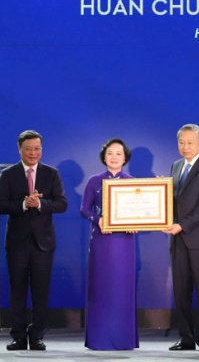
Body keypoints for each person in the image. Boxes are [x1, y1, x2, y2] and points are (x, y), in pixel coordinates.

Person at [0, 130, 67, 351]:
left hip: (43, 244)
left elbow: (62, 204)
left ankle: (37, 336)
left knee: (40, 291)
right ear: (19, 149)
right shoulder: (8, 174)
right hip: (17, 243)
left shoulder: (51, 174)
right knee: (17, 291)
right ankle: (18, 336)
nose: (33, 153)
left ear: (41, 150)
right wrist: (24, 204)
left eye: (37, 149)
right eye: (28, 149)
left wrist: (40, 204)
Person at [163, 124, 199, 352]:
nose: (185, 147)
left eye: (190, 142)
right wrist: (161, 192)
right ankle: (186, 337)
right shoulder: (176, 166)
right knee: (181, 291)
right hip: (178, 239)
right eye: (181, 142)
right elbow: (174, 201)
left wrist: (182, 225)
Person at [80, 138, 138, 350]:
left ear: (125, 158)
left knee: (122, 287)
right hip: (101, 241)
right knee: (101, 286)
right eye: (110, 153)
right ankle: (99, 339)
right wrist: (98, 220)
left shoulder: (133, 182)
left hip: (125, 242)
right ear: (104, 157)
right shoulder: (94, 181)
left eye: (118, 154)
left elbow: (140, 212)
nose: (114, 157)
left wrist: (136, 224)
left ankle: (122, 339)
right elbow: (84, 209)